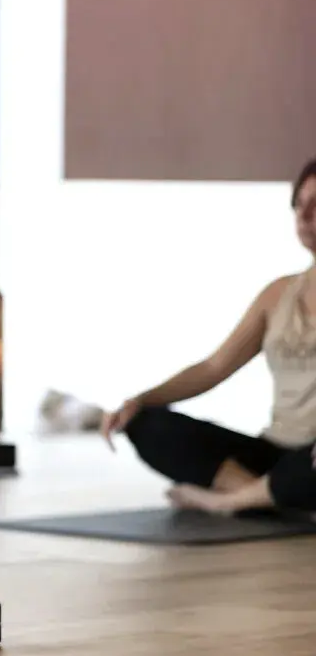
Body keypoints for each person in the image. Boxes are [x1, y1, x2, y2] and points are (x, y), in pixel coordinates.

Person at [102, 157, 316, 516]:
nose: (304, 215)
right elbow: (214, 367)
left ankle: (230, 502)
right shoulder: (277, 295)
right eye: (299, 204)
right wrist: (140, 399)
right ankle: (272, 498)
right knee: (147, 423)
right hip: (275, 455)